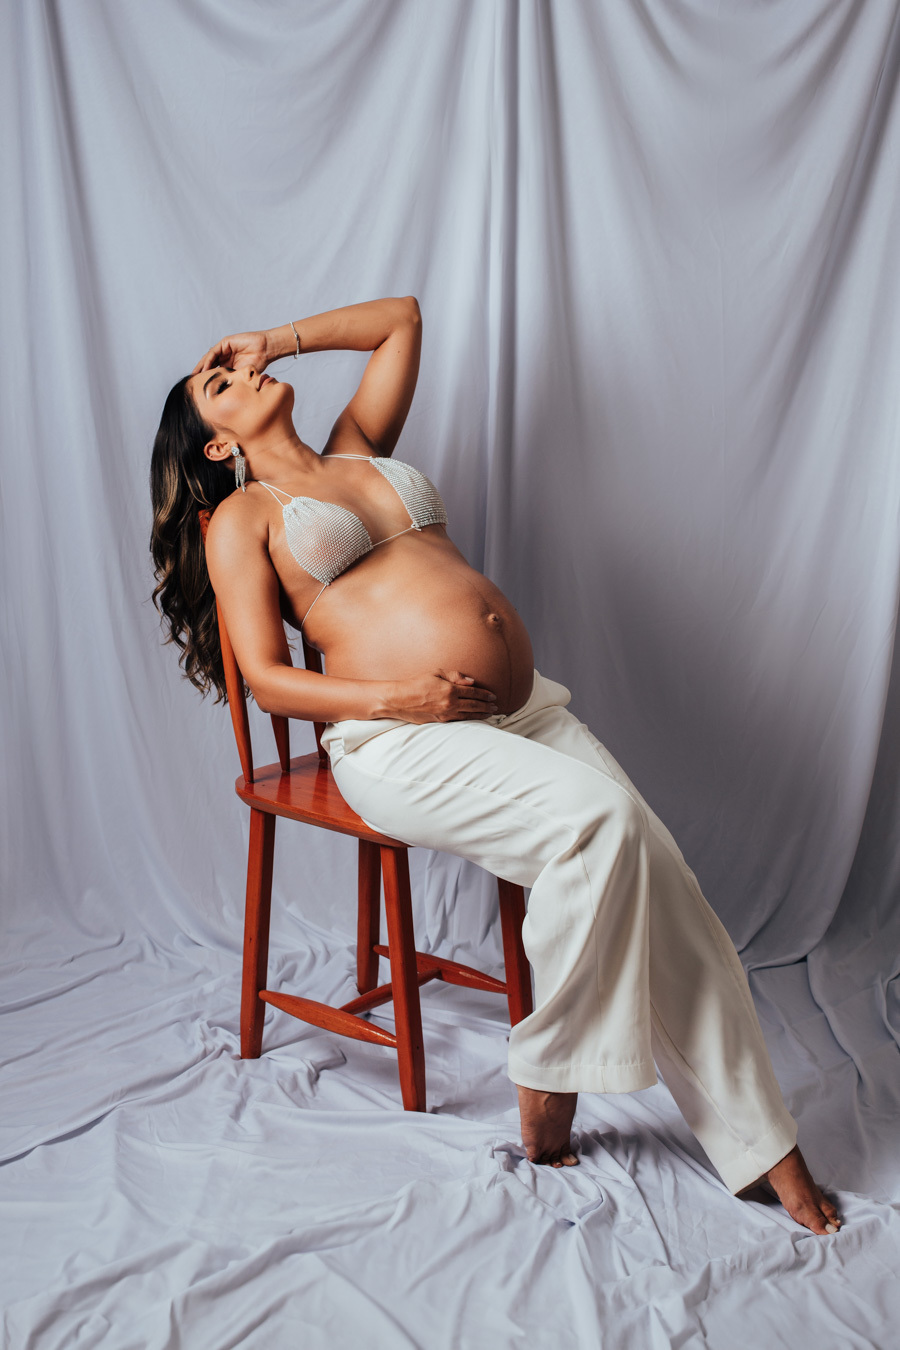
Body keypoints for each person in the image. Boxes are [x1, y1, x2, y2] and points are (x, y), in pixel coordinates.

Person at [150, 295, 840, 1235]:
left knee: (665, 877)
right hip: (396, 740)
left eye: (239, 363)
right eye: (221, 384)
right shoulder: (244, 518)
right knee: (604, 825)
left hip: (518, 710)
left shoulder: (357, 448)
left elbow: (402, 320)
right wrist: (401, 698)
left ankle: (764, 1147)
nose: (245, 372)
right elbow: (269, 681)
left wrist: (276, 337)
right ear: (219, 445)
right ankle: (549, 1074)